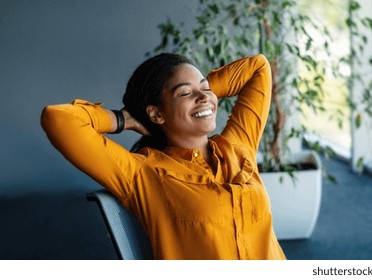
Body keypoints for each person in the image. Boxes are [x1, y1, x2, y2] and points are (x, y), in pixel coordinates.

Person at [40, 53, 286, 260]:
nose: (203, 97)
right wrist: (124, 119)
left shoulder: (239, 146)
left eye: (205, 89)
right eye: (183, 93)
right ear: (157, 114)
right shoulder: (143, 173)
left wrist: (203, 94)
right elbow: (58, 119)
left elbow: (258, 68)